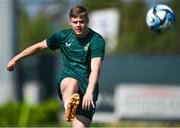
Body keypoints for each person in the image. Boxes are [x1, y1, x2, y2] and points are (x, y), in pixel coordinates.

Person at [7, 5, 105, 127]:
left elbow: (96, 68)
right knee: (72, 83)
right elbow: (39, 47)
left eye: (81, 21)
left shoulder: (96, 40)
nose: (78, 25)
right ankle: (69, 105)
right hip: (68, 78)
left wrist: (89, 92)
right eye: (75, 22)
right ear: (70, 22)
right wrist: (15, 59)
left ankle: (71, 106)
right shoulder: (63, 36)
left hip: (87, 87)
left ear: (87, 21)